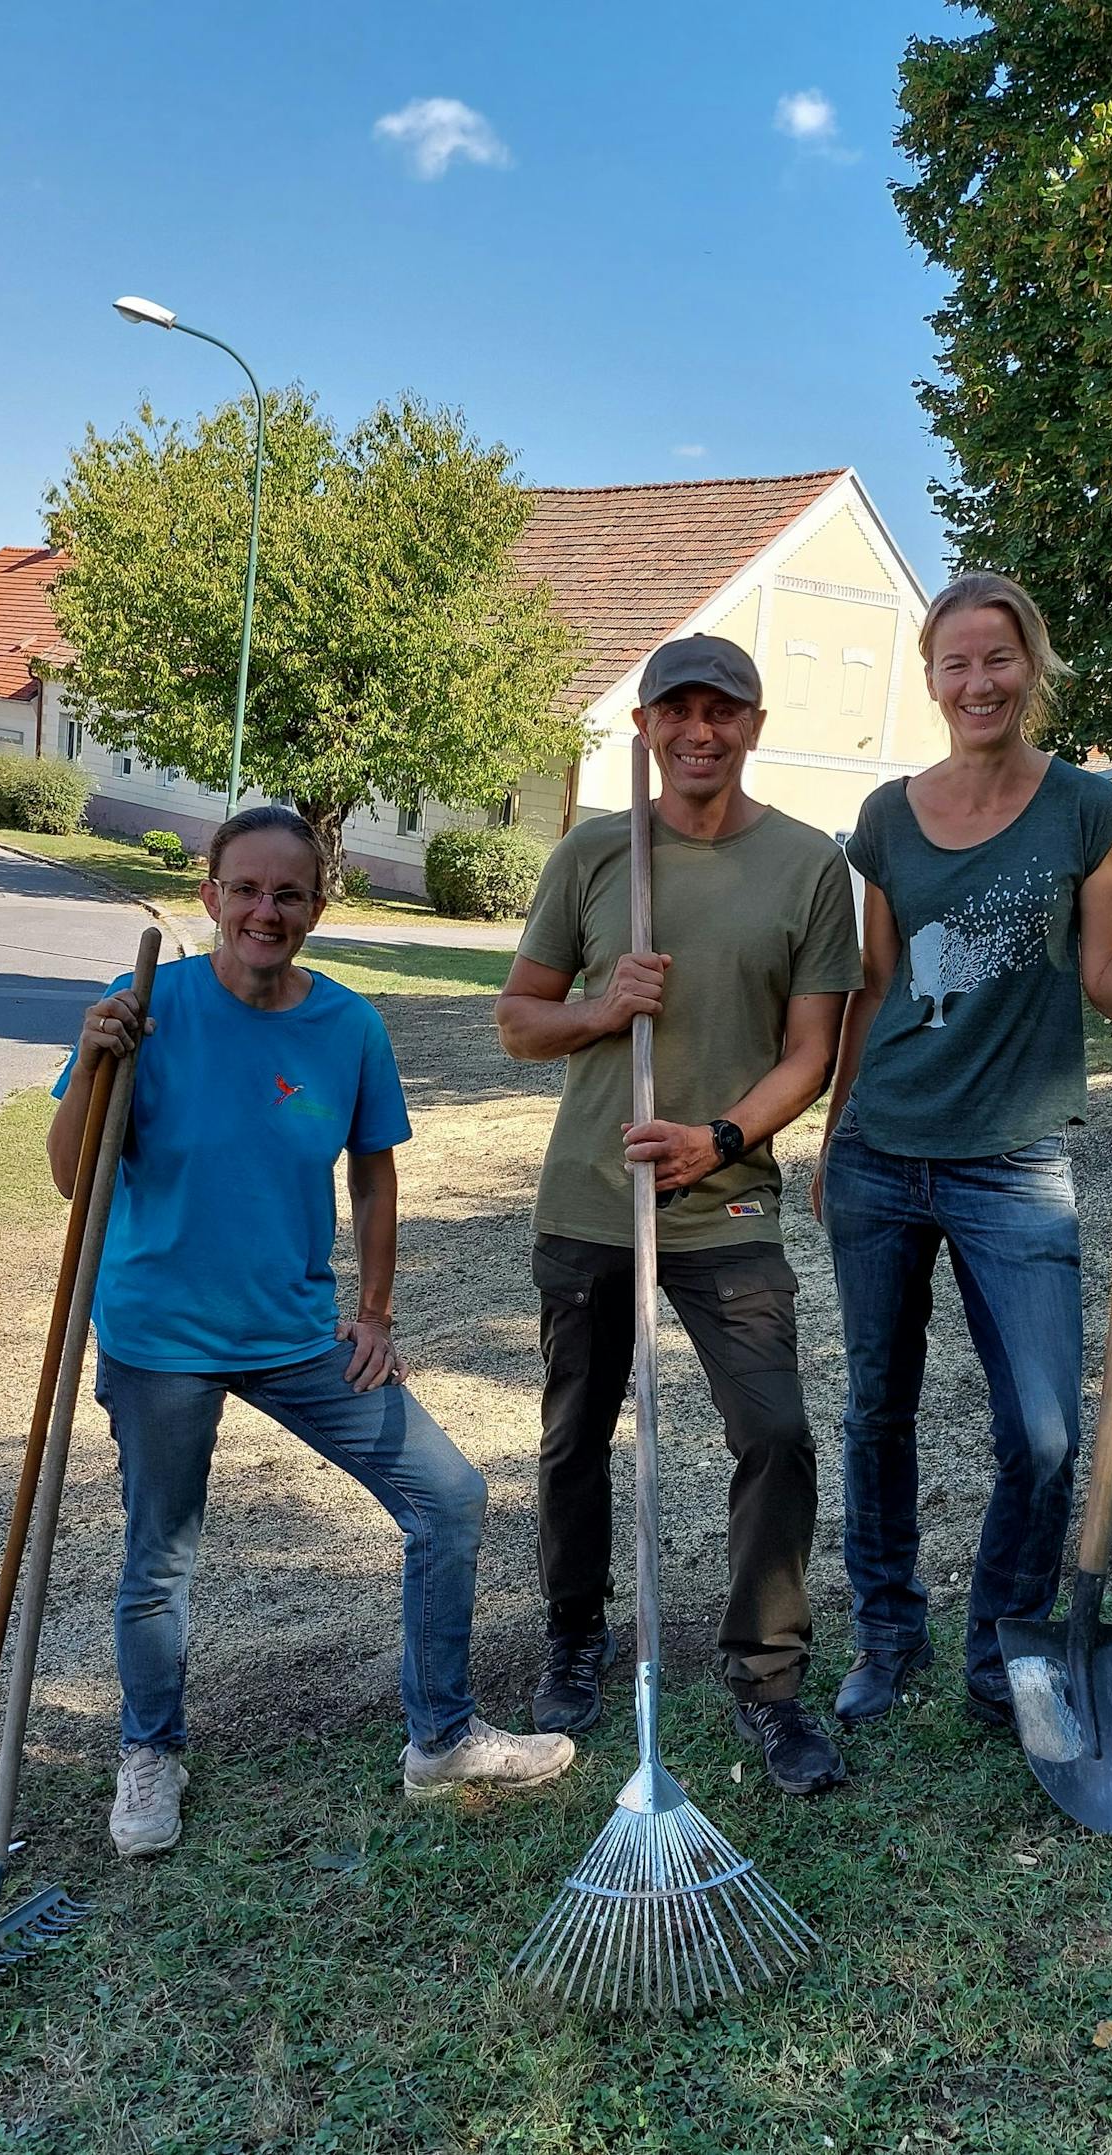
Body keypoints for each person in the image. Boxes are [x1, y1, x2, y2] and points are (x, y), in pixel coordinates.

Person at [49, 804, 572, 1859]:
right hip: (162, 1335)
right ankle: (151, 1751)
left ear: (316, 908)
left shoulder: (348, 1026)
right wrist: (90, 1058)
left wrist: (373, 1308)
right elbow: (75, 1179)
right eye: (244, 887)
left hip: (294, 1332)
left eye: (288, 892)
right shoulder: (144, 1010)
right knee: (161, 1558)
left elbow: (374, 1171)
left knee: (448, 1495)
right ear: (209, 894)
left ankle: (440, 1735)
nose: (264, 909)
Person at [811, 574, 1112, 1731]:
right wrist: (837, 1132)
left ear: (1029, 666)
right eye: (954, 663)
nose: (976, 681)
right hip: (882, 1150)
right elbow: (876, 985)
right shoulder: (886, 815)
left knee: (1040, 1430)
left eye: (997, 658)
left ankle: (1005, 1647)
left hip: (1012, 1164)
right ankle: (886, 1633)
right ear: (930, 677)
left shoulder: (1088, 810)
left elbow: (1109, 986)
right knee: (874, 1408)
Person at [494, 634, 863, 1796]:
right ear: (644, 727)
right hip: (592, 1202)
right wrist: (604, 1009)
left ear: (752, 725)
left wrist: (719, 1139)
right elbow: (516, 1018)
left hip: (728, 1201)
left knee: (775, 1432)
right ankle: (573, 1638)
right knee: (573, 1439)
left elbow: (813, 1052)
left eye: (722, 710)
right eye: (676, 710)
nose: (699, 731)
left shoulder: (810, 867)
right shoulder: (597, 853)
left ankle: (768, 1680)